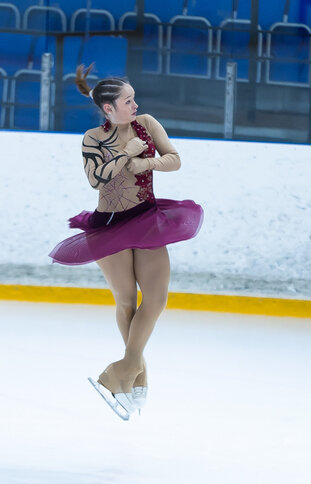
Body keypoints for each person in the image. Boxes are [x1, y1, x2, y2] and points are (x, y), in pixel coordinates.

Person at [49, 64, 203, 420]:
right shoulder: (92, 138)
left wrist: (147, 162)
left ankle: (123, 370)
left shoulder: (147, 124)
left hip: (147, 219)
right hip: (110, 225)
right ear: (109, 108)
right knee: (125, 302)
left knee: (157, 297)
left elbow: (175, 159)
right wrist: (124, 154)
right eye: (128, 101)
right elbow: (94, 178)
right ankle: (138, 381)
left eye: (134, 99)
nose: (135, 105)